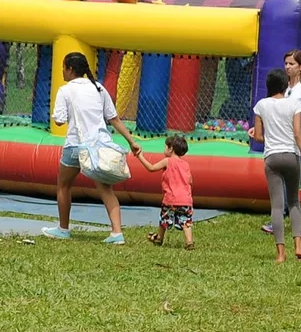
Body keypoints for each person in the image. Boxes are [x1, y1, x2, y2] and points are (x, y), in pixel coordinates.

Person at [41, 51, 142, 245]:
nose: (62, 71)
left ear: (70, 69)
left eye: (64, 67)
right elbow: (114, 119)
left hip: (75, 146)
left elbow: (60, 121)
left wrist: (56, 116)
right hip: (98, 147)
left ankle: (63, 229)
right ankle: (117, 233)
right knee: (105, 189)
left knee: (63, 185)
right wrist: (132, 142)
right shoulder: (99, 88)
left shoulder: (65, 90)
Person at [252, 69, 301, 263]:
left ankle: (280, 253)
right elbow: (298, 134)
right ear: (286, 85)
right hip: (291, 156)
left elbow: (260, 137)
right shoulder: (294, 104)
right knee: (294, 202)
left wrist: (255, 134)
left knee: (277, 206)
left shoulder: (261, 105)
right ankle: (299, 245)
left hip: (272, 157)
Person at [263, 50, 301, 237]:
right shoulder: (286, 87)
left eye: (291, 64)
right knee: (290, 178)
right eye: (286, 63)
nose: (287, 67)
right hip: (290, 138)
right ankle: (284, 218)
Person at [136, 134, 194, 249]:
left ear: (170, 148)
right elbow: (190, 181)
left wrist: (140, 156)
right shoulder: (186, 165)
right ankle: (189, 241)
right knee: (186, 222)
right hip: (186, 200)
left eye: (165, 147)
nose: (164, 150)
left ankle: (159, 238)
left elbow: (151, 168)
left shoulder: (168, 161)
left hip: (171, 199)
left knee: (164, 219)